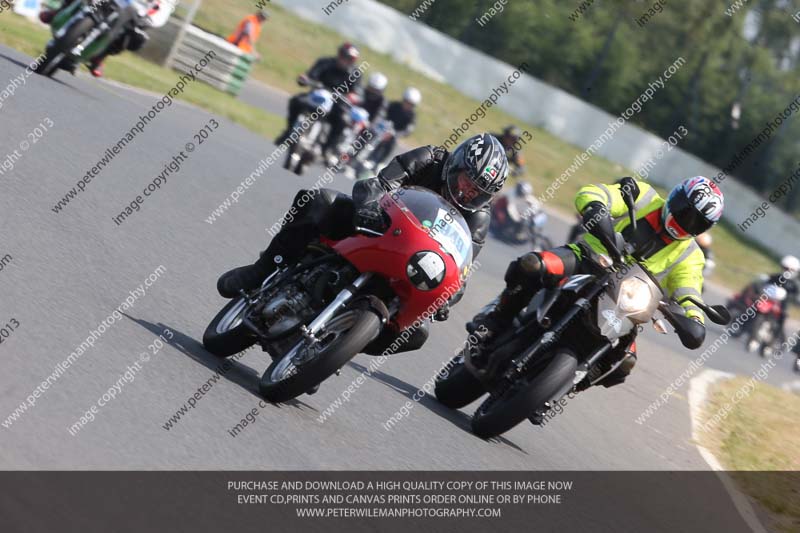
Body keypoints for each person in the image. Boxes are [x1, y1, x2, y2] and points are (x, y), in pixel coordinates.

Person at [217, 134, 509, 348]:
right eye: (467, 182)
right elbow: (378, 183)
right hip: (377, 228)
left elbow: (462, 269)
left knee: (417, 333)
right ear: (455, 164)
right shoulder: (429, 159)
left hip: (413, 265)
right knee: (319, 201)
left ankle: (332, 346)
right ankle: (261, 270)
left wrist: (449, 297)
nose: (468, 192)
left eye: (478, 191)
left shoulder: (477, 220)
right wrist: (370, 207)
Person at [470, 175, 725, 390]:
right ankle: (495, 321)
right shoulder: (643, 197)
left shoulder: (691, 256)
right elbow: (595, 192)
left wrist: (695, 319)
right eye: (684, 209)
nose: (684, 220)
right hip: (589, 259)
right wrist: (596, 206)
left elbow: (689, 291)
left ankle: (567, 385)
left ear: (704, 228)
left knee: (625, 362)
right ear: (675, 196)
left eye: (696, 221)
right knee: (533, 265)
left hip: (628, 302)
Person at [275, 43, 363, 158]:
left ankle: (327, 148)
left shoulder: (355, 73)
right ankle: (289, 131)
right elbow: (310, 75)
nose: (345, 59)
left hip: (337, 104)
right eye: (343, 55)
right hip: (317, 96)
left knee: (343, 121)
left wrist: (353, 96)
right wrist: (305, 79)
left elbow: (359, 92)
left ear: (353, 60)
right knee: (296, 101)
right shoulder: (325, 62)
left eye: (349, 58)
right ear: (339, 53)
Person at [39, 0, 157, 77]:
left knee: (135, 35)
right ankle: (56, 13)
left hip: (134, 8)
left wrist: (150, 13)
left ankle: (99, 58)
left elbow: (160, 9)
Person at [370, 87, 421, 167]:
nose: (407, 105)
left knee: (392, 143)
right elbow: (382, 112)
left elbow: (408, 130)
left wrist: (395, 133)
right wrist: (380, 122)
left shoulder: (412, 116)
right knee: (371, 133)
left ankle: (380, 163)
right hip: (382, 127)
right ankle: (366, 155)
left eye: (410, 104)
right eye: (406, 102)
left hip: (394, 134)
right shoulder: (394, 105)